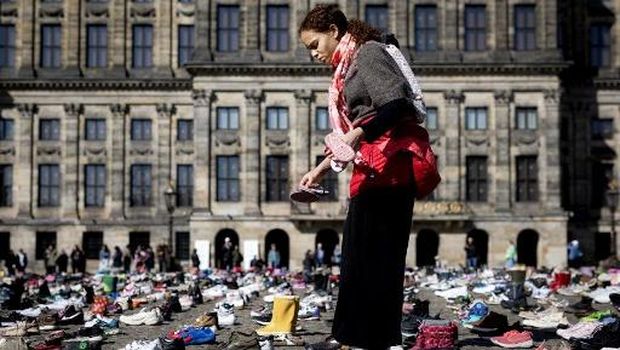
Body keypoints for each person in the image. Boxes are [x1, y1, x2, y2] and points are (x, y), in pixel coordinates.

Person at [298, 5, 439, 349]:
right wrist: (317, 172)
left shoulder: (368, 53)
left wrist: (358, 135)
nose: (313, 54)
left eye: (314, 44)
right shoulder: (345, 69)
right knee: (357, 259)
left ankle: (366, 339)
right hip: (372, 167)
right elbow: (354, 135)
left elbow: (396, 106)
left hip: (390, 168)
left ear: (333, 30)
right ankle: (350, 337)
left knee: (377, 260)